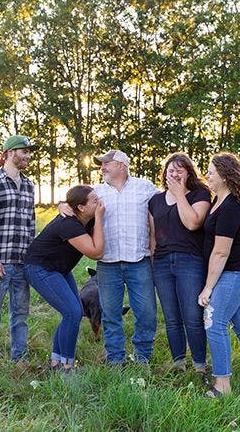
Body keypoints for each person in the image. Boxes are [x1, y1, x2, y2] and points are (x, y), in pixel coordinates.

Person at [61, 149, 159, 365]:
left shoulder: (146, 188)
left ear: (122, 165)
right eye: (101, 164)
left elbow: (167, 204)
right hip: (107, 264)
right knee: (110, 314)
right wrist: (62, 205)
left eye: (107, 163)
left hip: (139, 261)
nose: (102, 167)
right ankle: (115, 359)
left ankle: (142, 357)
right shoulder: (95, 192)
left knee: (147, 313)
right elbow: (72, 203)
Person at [197, 152, 240, 397]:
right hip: (236, 270)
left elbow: (221, 252)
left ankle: (222, 385)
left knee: (214, 323)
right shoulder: (219, 200)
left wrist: (208, 287)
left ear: (225, 176)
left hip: (236, 270)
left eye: (212, 171)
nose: (207, 175)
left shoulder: (231, 207)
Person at [23, 186, 105, 373]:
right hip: (39, 268)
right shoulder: (69, 224)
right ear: (81, 207)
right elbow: (96, 252)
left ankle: (55, 363)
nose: (99, 202)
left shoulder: (87, 219)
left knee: (72, 313)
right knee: (73, 312)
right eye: (94, 200)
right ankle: (67, 367)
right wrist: (99, 218)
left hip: (59, 268)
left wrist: (95, 217)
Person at [0, 135, 37, 373]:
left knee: (20, 314)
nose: (28, 156)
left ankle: (19, 360)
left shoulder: (29, 185)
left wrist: (31, 258)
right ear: (11, 153)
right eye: (25, 151)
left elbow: (30, 224)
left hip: (22, 263)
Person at [148, 153, 211, 374]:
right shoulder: (155, 200)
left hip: (190, 261)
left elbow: (193, 223)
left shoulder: (199, 194)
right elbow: (154, 235)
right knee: (172, 318)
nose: (174, 174)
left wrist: (178, 194)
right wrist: (153, 263)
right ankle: (178, 365)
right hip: (163, 263)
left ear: (189, 173)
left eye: (179, 170)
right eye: (170, 170)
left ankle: (200, 366)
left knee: (192, 316)